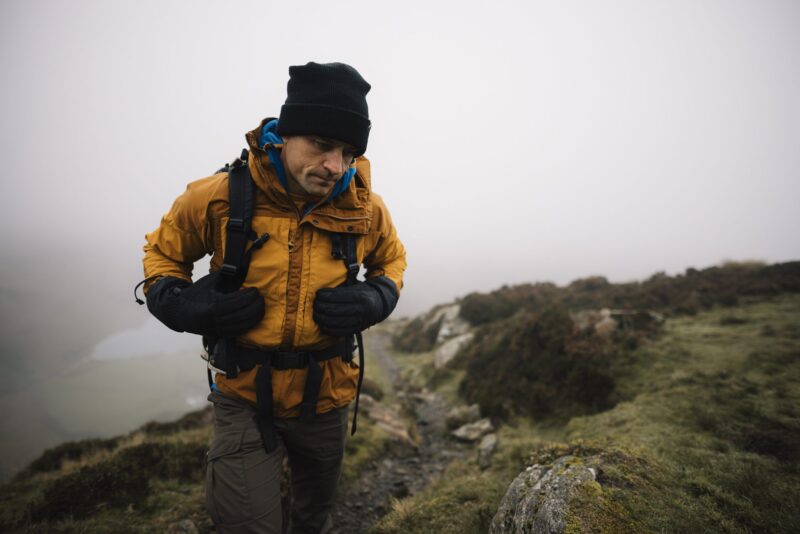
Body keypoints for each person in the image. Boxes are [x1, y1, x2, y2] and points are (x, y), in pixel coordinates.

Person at [140, 62, 406, 533]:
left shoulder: (365, 207)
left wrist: (376, 298)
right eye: (322, 145)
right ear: (285, 134)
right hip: (243, 394)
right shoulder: (220, 196)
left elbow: (391, 262)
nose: (334, 166)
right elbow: (163, 254)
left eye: (347, 152)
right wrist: (178, 303)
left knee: (314, 517)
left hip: (327, 395)